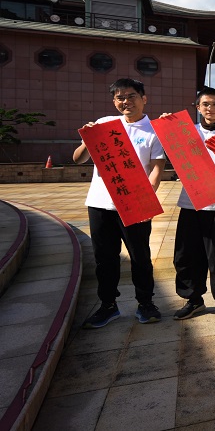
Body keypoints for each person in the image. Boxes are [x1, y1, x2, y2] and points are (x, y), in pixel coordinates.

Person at [73, 78, 166, 328]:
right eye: (120, 97)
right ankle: (108, 305)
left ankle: (145, 303)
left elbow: (157, 169)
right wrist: (87, 138)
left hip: (134, 204)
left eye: (131, 96)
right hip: (100, 203)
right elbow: (78, 159)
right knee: (105, 258)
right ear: (114, 101)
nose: (126, 101)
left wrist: (147, 200)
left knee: (140, 257)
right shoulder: (104, 124)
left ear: (144, 98)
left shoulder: (153, 131)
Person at [172, 87, 215, 320]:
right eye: (204, 104)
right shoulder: (188, 132)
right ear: (197, 108)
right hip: (191, 204)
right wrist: (167, 126)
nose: (209, 109)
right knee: (187, 254)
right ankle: (193, 299)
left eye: (214, 104)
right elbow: (174, 155)